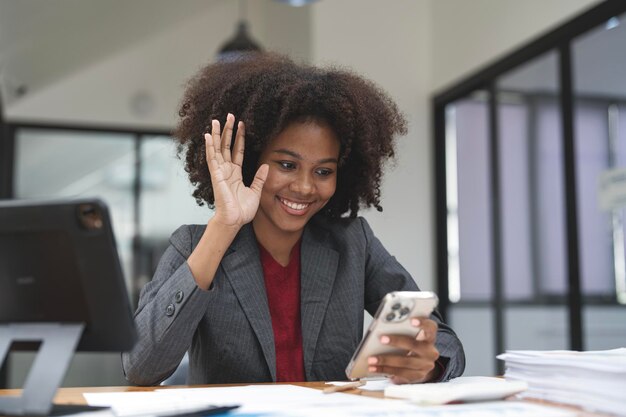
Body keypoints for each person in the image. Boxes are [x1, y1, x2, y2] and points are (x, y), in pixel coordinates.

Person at [122, 53, 465, 386]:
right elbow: (140, 367)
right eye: (287, 165)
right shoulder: (194, 246)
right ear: (252, 160)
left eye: (323, 171)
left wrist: (427, 365)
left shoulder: (353, 243)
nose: (304, 186)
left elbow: (444, 343)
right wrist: (224, 226)